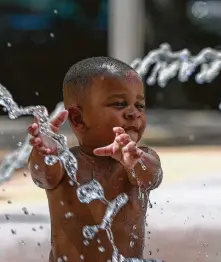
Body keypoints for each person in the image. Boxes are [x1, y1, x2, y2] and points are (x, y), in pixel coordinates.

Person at [27, 57, 163, 262]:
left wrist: (136, 162)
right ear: (77, 119)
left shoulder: (141, 156)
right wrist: (43, 154)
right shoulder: (65, 162)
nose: (134, 113)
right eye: (119, 104)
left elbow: (151, 177)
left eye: (140, 105)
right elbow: (42, 176)